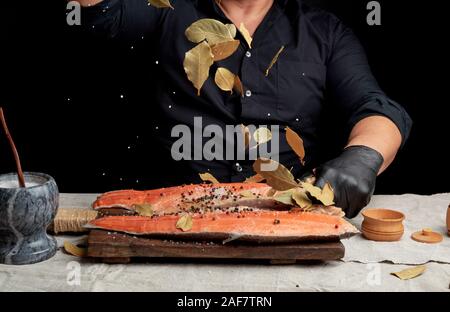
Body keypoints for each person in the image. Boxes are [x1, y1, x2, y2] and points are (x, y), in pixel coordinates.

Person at [75, 0, 412, 218]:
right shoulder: (164, 10)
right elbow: (97, 10)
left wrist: (364, 157)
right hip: (171, 218)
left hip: (286, 218)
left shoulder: (323, 31)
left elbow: (376, 108)